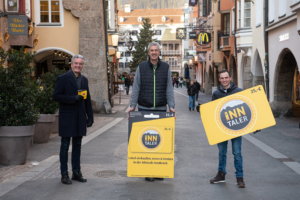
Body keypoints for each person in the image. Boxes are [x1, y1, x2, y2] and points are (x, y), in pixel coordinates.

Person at [127, 42, 175, 182]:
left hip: (161, 109)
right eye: (151, 50)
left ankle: (159, 171)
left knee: (160, 142)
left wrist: (171, 106)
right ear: (148, 52)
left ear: (159, 52)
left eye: (156, 50)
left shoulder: (165, 67)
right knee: (146, 141)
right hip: (144, 108)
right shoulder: (141, 67)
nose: (154, 53)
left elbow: (169, 89)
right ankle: (148, 171)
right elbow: (136, 87)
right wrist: (132, 105)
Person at [53, 54, 94, 185]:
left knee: (77, 146)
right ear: (71, 64)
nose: (78, 66)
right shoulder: (62, 78)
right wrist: (73, 98)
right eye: (76, 63)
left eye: (80, 64)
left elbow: (87, 99)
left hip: (80, 117)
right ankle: (64, 174)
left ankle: (76, 172)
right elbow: (56, 96)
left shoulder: (84, 80)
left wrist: (90, 116)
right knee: (65, 146)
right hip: (67, 117)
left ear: (82, 65)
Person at [210, 69, 245, 188]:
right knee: (222, 153)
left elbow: (246, 108)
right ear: (219, 79)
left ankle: (239, 177)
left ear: (230, 78)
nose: (224, 80)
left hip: (236, 128)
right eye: (222, 78)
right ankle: (221, 174)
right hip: (221, 128)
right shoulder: (216, 94)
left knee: (237, 153)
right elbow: (213, 112)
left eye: (226, 78)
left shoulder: (239, 91)